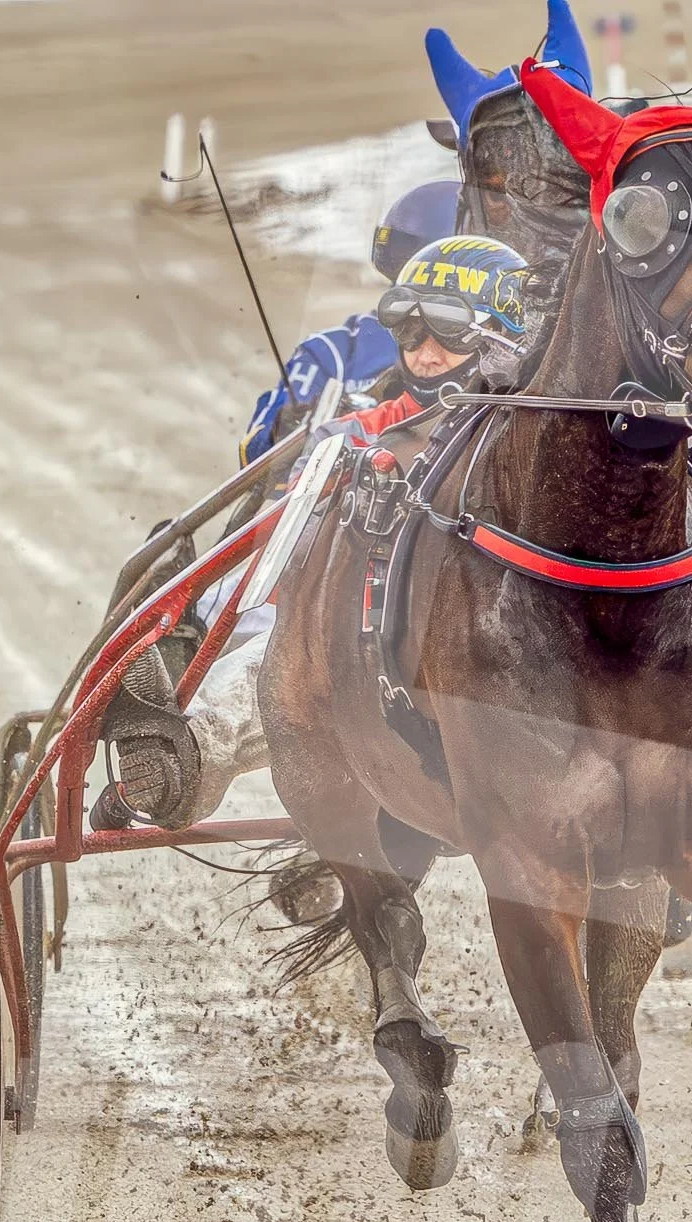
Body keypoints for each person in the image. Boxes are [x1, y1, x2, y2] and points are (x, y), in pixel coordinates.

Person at [93, 237, 530, 833]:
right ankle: (182, 755)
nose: (424, 353)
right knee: (294, 651)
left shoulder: (532, 441)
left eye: (448, 331)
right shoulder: (349, 437)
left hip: (484, 633)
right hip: (338, 627)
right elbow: (287, 569)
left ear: (502, 338)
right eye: (407, 329)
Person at [237, 179, 461, 465]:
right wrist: (289, 426)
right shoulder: (331, 353)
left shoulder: (502, 358)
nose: (427, 354)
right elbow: (256, 460)